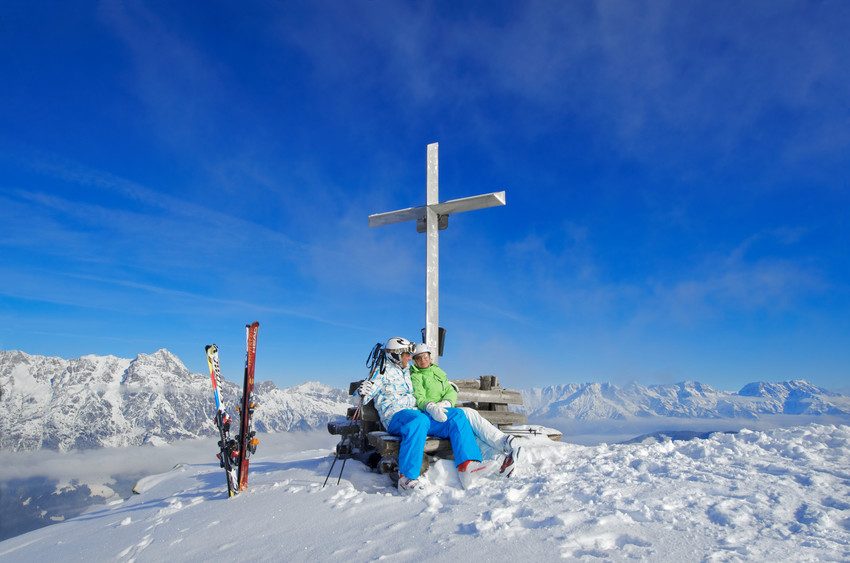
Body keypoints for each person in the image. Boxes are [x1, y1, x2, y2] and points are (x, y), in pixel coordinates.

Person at [357, 337, 499, 493]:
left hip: (416, 415)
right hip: (395, 416)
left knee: (456, 415)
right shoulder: (382, 371)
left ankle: (467, 466)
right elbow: (366, 393)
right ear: (396, 355)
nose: (410, 358)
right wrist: (362, 390)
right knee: (419, 420)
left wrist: (446, 386)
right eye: (406, 354)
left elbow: (425, 376)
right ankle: (406, 478)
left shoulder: (407, 370)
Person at [409, 343, 522, 476]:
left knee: (470, 430)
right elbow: (420, 398)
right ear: (414, 361)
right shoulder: (415, 376)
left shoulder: (437, 371)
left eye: (425, 357)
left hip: (446, 409)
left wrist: (447, 402)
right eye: (419, 358)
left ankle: (500, 461)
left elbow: (450, 390)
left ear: (430, 357)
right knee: (469, 413)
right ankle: (502, 441)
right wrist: (432, 406)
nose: (423, 361)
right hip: (432, 414)